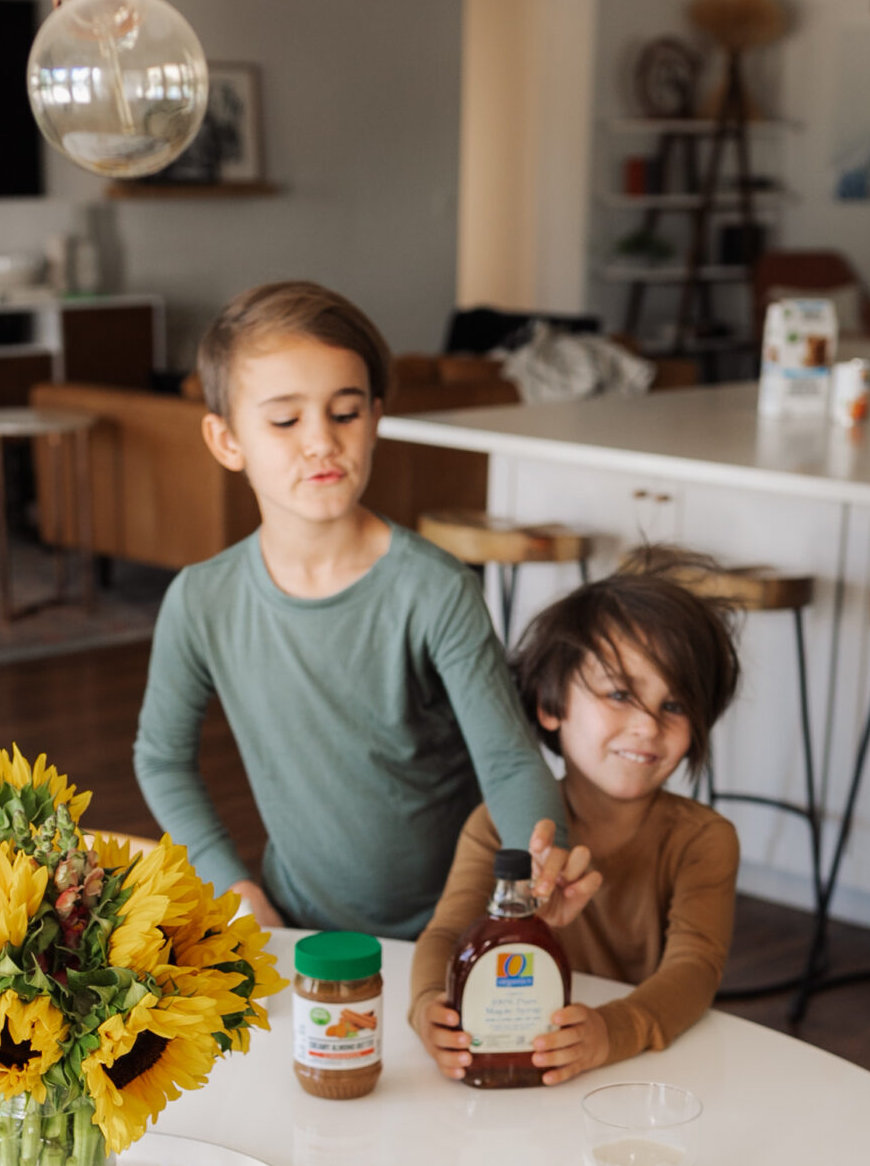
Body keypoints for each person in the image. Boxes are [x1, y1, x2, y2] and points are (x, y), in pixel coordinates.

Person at [131, 280, 564, 940]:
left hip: (455, 925)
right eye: (284, 420)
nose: (321, 442)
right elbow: (161, 758)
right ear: (225, 441)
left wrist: (541, 857)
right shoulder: (200, 599)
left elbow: (506, 761)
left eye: (345, 412)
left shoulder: (435, 588)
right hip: (297, 927)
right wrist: (232, 887)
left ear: (375, 417)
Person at [410, 556, 742, 1085]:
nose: (646, 726)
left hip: (630, 1074)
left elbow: (695, 969)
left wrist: (614, 1031)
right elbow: (447, 932)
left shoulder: (703, 841)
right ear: (550, 702)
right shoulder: (498, 825)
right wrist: (428, 1005)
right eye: (619, 694)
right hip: (506, 1056)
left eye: (675, 705)